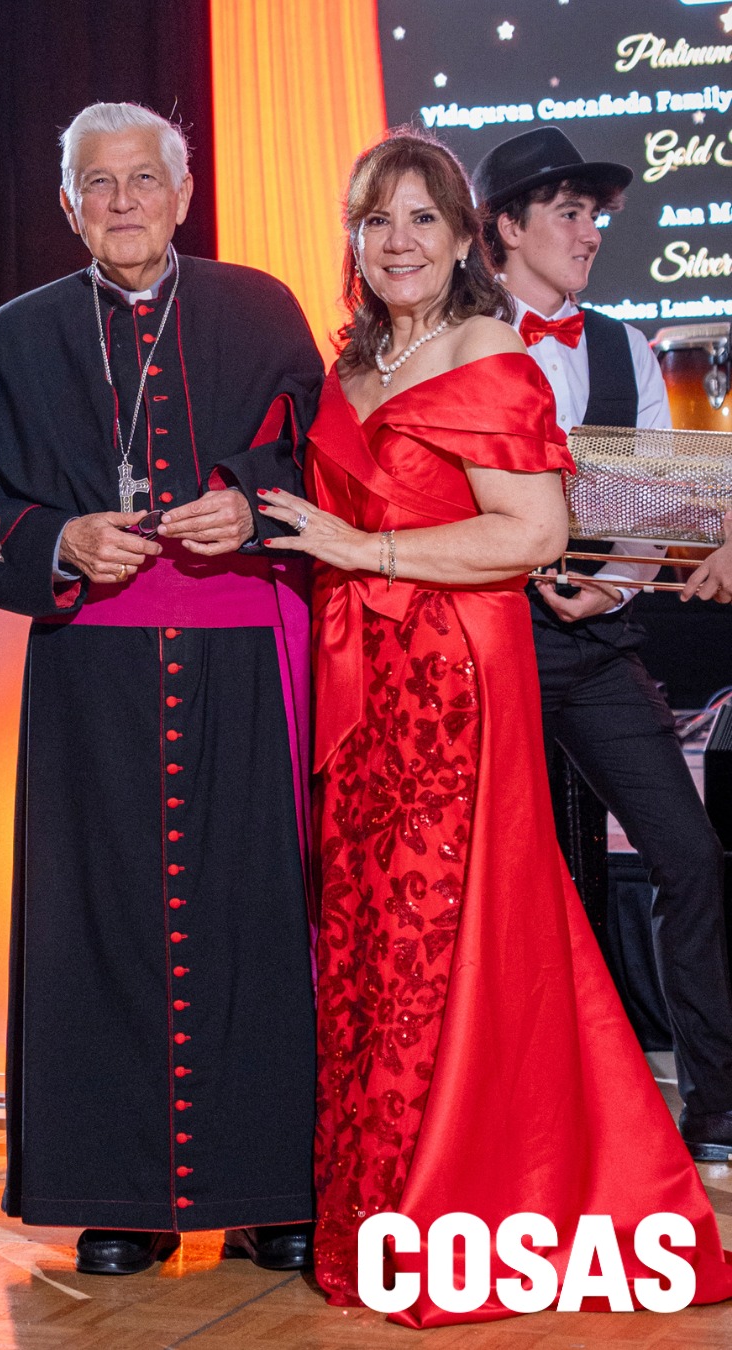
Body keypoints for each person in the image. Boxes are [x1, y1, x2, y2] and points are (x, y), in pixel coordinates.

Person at [258, 129, 732, 1325]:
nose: (399, 241)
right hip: (362, 681)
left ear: (467, 238)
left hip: (457, 681)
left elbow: (529, 534)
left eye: (423, 218)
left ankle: (458, 1201)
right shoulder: (350, 363)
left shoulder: (486, 351)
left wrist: (361, 550)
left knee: (451, 933)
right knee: (372, 937)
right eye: (377, 221)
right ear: (354, 242)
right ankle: (379, 1199)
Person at [0, 102, 323, 1277]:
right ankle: (122, 1195)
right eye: (96, 185)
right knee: (100, 921)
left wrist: (251, 502)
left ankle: (271, 1186)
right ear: (68, 206)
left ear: (183, 192)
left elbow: (323, 453)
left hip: (241, 657)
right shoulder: (12, 336)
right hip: (94, 670)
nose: (121, 202)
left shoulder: (260, 307)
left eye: (142, 180)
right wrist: (59, 539)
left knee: (252, 918)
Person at [472, 127, 732, 1158]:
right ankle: (525, 1106)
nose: (590, 234)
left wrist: (609, 586)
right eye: (569, 214)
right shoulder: (458, 339)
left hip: (598, 643)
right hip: (488, 642)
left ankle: (714, 1105)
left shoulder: (623, 342)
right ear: (506, 227)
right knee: (510, 879)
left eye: (596, 215)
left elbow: (656, 497)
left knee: (691, 857)